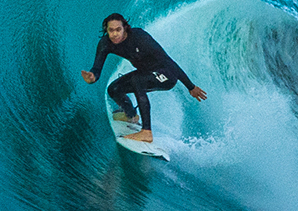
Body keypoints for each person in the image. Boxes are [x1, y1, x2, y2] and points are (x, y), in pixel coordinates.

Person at [80, 13, 208, 143]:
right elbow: (97, 69)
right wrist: (92, 77)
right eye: (111, 30)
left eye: (118, 29)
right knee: (113, 89)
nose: (114, 34)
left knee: (137, 80)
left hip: (166, 74)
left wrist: (190, 86)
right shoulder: (106, 44)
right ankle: (131, 115)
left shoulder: (140, 37)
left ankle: (147, 132)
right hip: (144, 73)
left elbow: (168, 62)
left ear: (125, 28)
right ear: (106, 30)